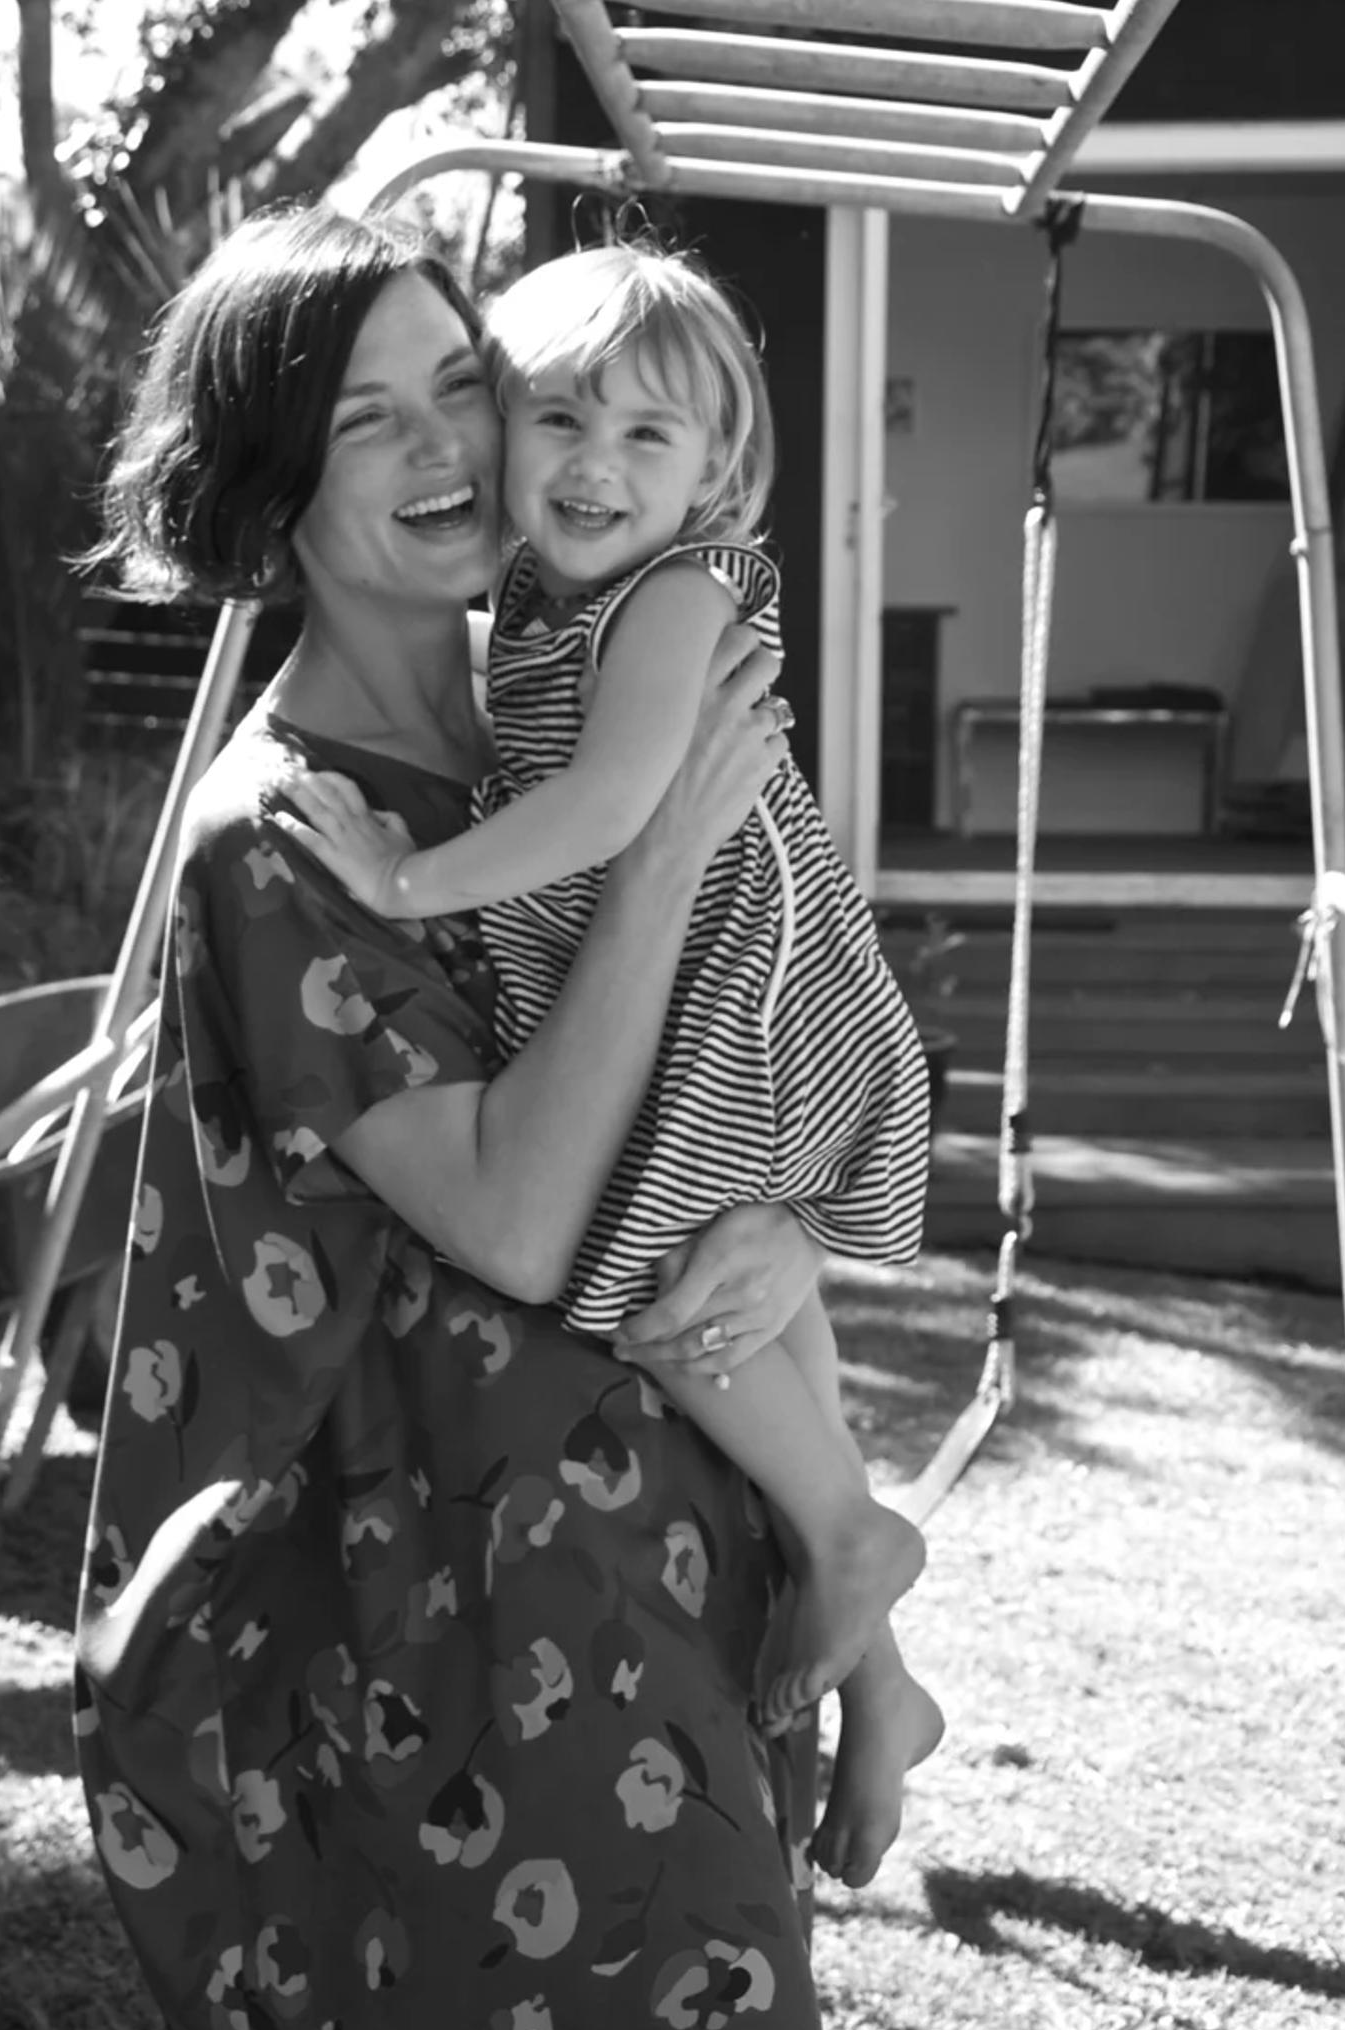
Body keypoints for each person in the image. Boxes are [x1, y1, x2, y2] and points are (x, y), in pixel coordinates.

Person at [73, 202, 917, 2030]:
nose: (450, 447)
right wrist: (667, 856)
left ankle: (875, 1648)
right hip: (491, 1616)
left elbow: (730, 1035)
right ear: (271, 485)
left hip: (694, 1541)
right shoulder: (285, 840)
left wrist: (784, 1210)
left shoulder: (560, 695)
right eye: (368, 420)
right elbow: (532, 1225)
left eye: (461, 383)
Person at [290, 240, 939, 1741]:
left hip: (746, 983)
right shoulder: (527, 599)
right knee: (741, 1280)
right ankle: (882, 1669)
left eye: (647, 433)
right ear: (504, 432)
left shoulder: (675, 595)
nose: (595, 463)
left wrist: (402, 885)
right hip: (707, 971)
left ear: (719, 467)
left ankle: (847, 1532)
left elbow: (606, 806)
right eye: (560, 417)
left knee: (660, 1289)